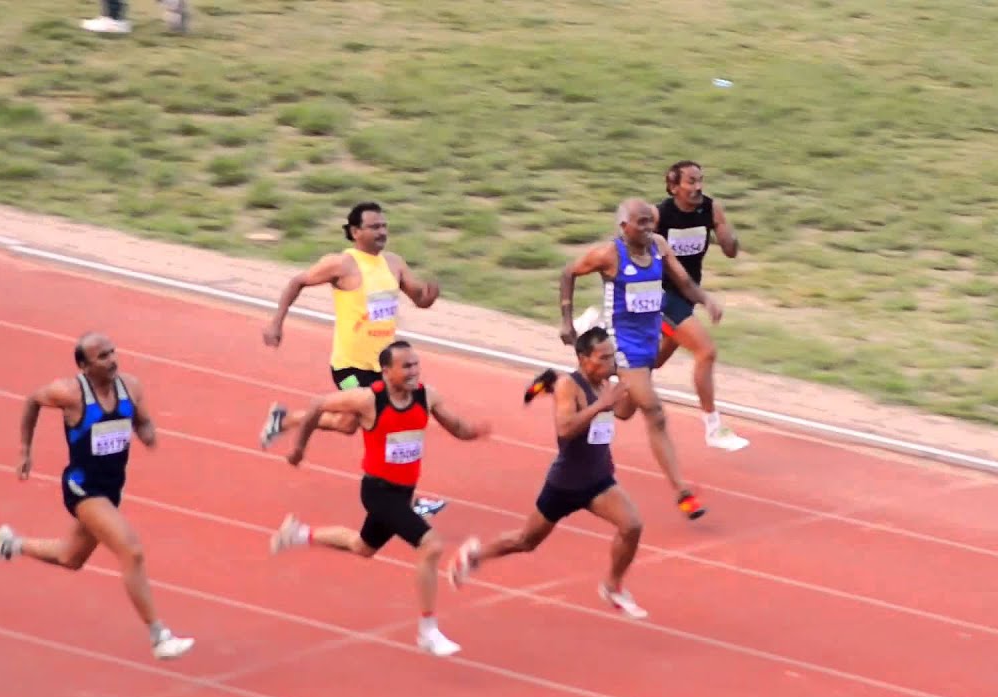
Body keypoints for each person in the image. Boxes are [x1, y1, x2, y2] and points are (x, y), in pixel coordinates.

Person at [0, 332, 195, 661]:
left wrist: (147, 434)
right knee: (131, 550)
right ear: (83, 365)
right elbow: (33, 400)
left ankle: (9, 544)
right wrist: (24, 449)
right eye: (102, 356)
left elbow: (143, 421)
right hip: (82, 488)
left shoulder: (130, 387)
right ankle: (158, 634)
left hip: (110, 489)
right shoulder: (70, 393)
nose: (112, 360)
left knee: (70, 558)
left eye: (113, 352)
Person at [267, 340, 493, 657]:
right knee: (432, 546)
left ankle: (299, 534)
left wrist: (475, 431)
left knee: (363, 547)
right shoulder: (368, 400)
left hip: (404, 490)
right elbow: (318, 403)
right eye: (406, 366)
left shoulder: (427, 396)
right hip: (378, 492)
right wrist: (299, 448)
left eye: (416, 364)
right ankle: (428, 631)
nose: (414, 371)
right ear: (387, 372)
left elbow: (455, 426)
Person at [531, 198, 723, 520]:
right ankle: (682, 492)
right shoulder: (609, 254)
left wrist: (706, 300)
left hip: (649, 342)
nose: (649, 228)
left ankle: (560, 384)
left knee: (621, 409)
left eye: (651, 221)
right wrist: (565, 319)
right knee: (654, 411)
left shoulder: (659, 247)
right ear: (624, 226)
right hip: (622, 345)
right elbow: (569, 272)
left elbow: (684, 282)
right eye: (642, 223)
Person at [258, 201, 446, 518]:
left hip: (385, 369)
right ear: (356, 232)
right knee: (386, 424)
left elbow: (418, 298)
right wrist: (276, 322)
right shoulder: (341, 265)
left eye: (384, 226)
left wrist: (430, 294)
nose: (382, 232)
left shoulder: (394, 264)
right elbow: (297, 282)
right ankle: (407, 503)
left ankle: (287, 419)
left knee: (348, 425)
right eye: (374, 227)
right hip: (348, 367)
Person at [449, 328, 649, 619]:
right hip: (566, 483)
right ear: (583, 358)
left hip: (598, 480)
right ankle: (474, 555)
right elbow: (565, 429)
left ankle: (613, 586)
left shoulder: (606, 382)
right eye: (602, 357)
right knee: (526, 541)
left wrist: (639, 381)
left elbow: (624, 412)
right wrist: (600, 405)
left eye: (611, 356)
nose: (609, 363)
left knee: (632, 525)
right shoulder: (570, 385)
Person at [653, 160, 749, 451]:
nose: (698, 187)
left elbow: (730, 250)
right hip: (660, 296)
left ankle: (596, 348)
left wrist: (727, 235)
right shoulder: (660, 214)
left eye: (700, 181)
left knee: (651, 363)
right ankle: (713, 427)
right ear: (673, 187)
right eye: (691, 182)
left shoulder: (710, 208)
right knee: (706, 351)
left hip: (686, 295)